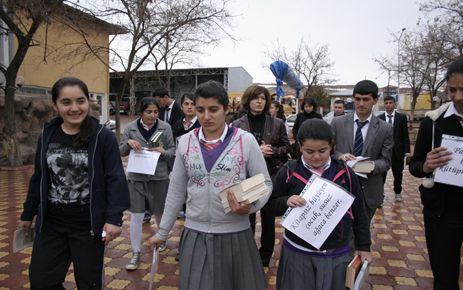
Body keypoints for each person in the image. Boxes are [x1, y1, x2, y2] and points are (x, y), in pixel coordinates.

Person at [149, 80, 272, 290]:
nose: (206, 117)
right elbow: (176, 190)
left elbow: (265, 183)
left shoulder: (245, 141)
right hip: (195, 233)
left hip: (236, 234)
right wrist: (162, 232)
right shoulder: (186, 142)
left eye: (213, 109)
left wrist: (250, 206)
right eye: (200, 110)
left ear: (226, 109)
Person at [18, 77, 130, 289]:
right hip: (51, 223)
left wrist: (114, 218)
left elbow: (115, 178)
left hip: (87, 226)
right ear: (55, 105)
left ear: (88, 102)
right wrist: (27, 213)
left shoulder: (102, 136)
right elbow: (40, 176)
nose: (75, 108)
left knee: (89, 283)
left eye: (80, 101)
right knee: (41, 281)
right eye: (66, 102)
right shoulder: (48, 134)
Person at [266, 119, 372, 290]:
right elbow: (269, 205)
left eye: (323, 151)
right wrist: (286, 201)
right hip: (298, 252)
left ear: (331, 146)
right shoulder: (289, 171)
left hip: (338, 253)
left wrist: (364, 247)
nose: (316, 156)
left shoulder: (345, 173)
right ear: (299, 146)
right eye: (309, 151)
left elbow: (359, 212)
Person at [409, 57, 463, 290]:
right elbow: (415, 165)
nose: (458, 97)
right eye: (452, 90)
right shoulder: (434, 122)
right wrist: (427, 166)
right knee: (444, 277)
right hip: (442, 213)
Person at [231, 85, 290, 266]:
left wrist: (271, 150)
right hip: (246, 177)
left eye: (263, 98)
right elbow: (232, 150)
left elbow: (287, 147)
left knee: (268, 216)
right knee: (246, 216)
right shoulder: (236, 124)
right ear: (248, 100)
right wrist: (256, 150)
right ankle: (247, 251)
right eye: (256, 98)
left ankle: (265, 254)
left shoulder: (277, 123)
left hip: (270, 175)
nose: (259, 101)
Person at [119, 96, 176, 271]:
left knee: (159, 212)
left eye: (155, 112)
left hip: (159, 177)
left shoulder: (164, 127)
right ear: (141, 112)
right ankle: (135, 252)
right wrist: (128, 143)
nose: (152, 115)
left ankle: (161, 237)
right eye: (148, 112)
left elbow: (173, 150)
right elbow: (121, 151)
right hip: (136, 177)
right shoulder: (130, 128)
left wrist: (163, 152)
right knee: (136, 215)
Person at [331, 80, 393, 222]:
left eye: (366, 99)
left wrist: (367, 166)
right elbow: (329, 151)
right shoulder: (337, 123)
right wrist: (341, 156)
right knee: (341, 235)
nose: (361, 104)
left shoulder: (385, 128)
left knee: (362, 235)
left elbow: (386, 161)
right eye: (357, 99)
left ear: (375, 100)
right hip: (340, 188)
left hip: (369, 192)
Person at [378, 96, 410, 202]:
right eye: (386, 103)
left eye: (390, 103)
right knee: (381, 175)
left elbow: (405, 135)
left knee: (398, 174)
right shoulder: (379, 118)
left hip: (398, 152)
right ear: (384, 104)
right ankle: (380, 195)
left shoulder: (401, 117)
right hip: (384, 152)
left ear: (394, 104)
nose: (388, 105)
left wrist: (407, 151)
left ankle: (397, 192)